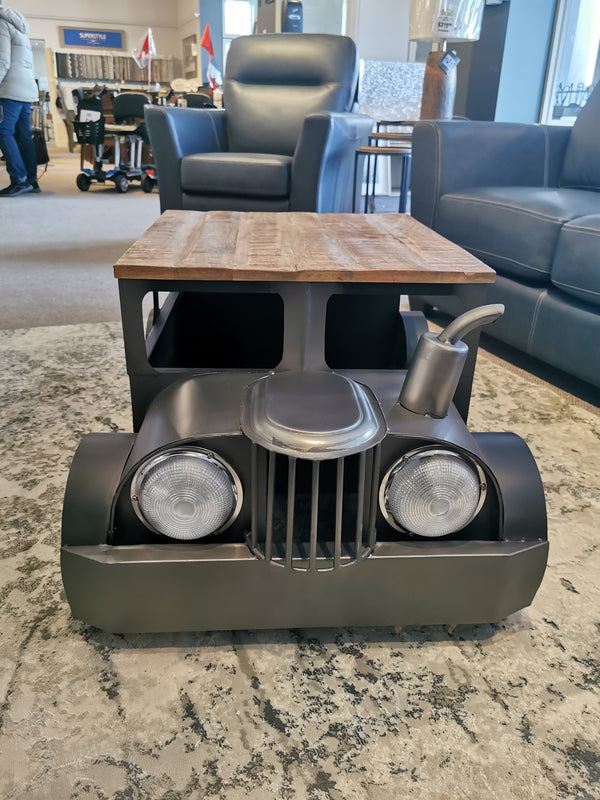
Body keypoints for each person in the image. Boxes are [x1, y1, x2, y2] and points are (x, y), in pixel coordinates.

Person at [0, 1, 39, 197]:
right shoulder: (18, 25)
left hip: (10, 88)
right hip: (26, 88)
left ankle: (19, 179)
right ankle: (31, 181)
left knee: (3, 131)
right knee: (23, 136)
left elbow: (2, 60)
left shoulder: (1, 24)